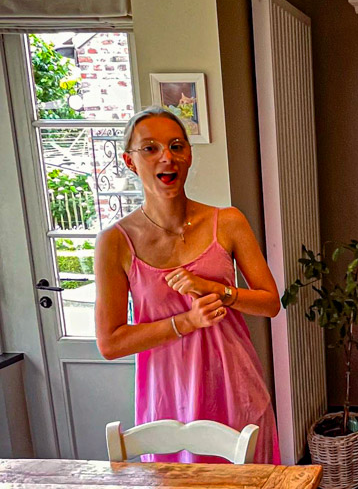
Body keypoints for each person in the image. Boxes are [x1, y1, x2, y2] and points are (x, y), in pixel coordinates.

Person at [95, 106, 281, 467]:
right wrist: (187, 322)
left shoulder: (228, 222)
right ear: (130, 161)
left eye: (176, 146)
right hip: (169, 396)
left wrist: (216, 290)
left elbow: (270, 303)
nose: (167, 157)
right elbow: (110, 342)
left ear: (189, 156)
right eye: (150, 148)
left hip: (235, 386)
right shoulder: (115, 243)